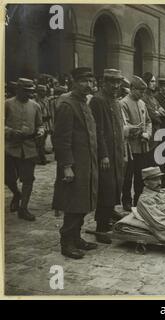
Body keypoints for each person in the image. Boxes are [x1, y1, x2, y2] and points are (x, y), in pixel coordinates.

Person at [52, 67, 99, 259]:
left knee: (84, 201)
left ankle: (77, 237)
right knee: (73, 202)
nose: (88, 85)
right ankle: (67, 242)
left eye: (90, 81)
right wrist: (67, 166)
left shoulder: (84, 103)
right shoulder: (67, 104)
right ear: (74, 82)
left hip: (87, 163)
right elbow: (61, 139)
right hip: (74, 165)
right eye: (83, 81)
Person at [90, 69, 125, 244]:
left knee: (114, 186)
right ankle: (101, 227)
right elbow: (98, 130)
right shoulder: (98, 100)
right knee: (106, 188)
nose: (116, 85)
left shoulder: (114, 100)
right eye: (112, 82)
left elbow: (118, 128)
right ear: (105, 82)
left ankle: (108, 218)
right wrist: (103, 154)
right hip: (106, 154)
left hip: (116, 152)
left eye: (118, 82)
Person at [5, 78, 45, 221]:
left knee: (28, 179)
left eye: (30, 91)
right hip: (10, 147)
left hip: (29, 148)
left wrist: (40, 132)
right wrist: (10, 131)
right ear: (18, 90)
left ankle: (23, 208)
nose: (28, 94)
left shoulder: (35, 106)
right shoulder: (7, 104)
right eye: (25, 91)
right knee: (8, 178)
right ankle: (16, 193)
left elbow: (40, 125)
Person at [120, 76, 152, 212]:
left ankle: (138, 199)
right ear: (132, 89)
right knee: (128, 176)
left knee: (140, 176)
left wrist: (148, 134)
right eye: (140, 91)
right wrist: (139, 131)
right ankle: (126, 201)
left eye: (144, 91)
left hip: (143, 146)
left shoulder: (142, 103)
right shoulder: (123, 103)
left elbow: (149, 121)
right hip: (130, 147)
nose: (142, 94)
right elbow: (124, 125)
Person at [142, 72, 165, 167]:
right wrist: (157, 112)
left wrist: (157, 112)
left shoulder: (152, 97)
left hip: (156, 133)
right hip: (149, 134)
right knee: (148, 163)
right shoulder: (143, 97)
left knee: (153, 162)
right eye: (152, 81)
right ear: (146, 82)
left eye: (154, 81)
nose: (154, 84)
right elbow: (152, 115)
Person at [34, 84, 50, 165]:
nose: (44, 92)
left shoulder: (46, 99)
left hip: (46, 122)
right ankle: (40, 158)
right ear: (38, 91)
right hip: (39, 122)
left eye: (45, 90)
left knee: (43, 141)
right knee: (39, 142)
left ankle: (41, 157)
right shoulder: (35, 101)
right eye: (42, 90)